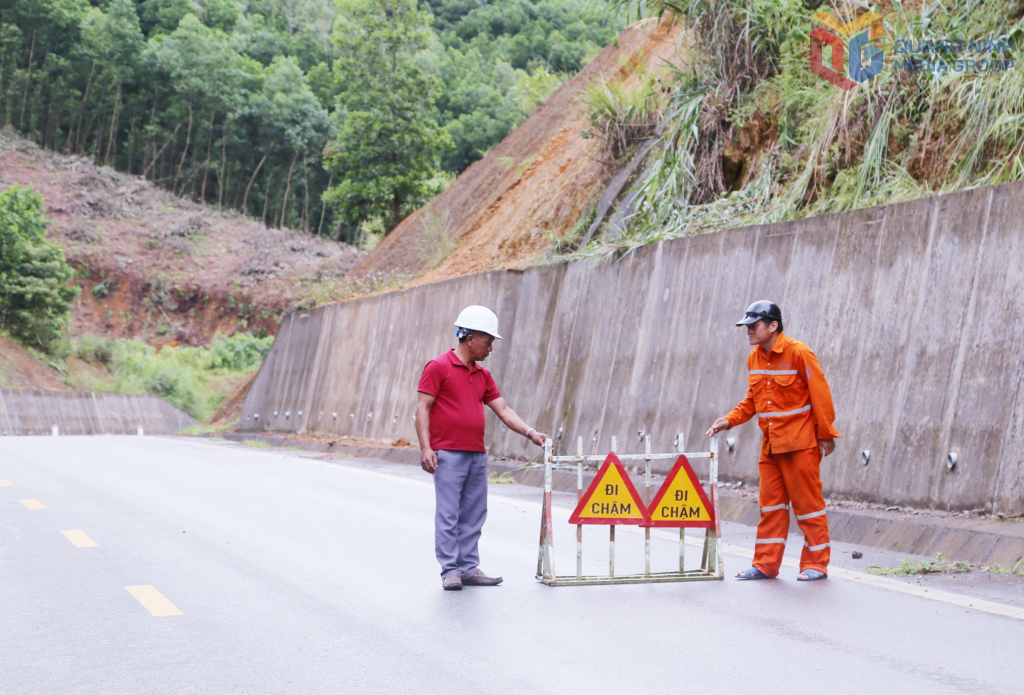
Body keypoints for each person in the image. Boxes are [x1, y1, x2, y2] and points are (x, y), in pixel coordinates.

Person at [416, 305, 549, 591]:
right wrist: (426, 448)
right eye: (488, 342)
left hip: (476, 453)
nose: (490, 348)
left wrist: (529, 432)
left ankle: (468, 568)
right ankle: (450, 570)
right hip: (447, 453)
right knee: (449, 514)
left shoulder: (483, 375)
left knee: (474, 513)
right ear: (470, 339)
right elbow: (422, 408)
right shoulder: (438, 367)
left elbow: (503, 410)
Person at [706, 300, 841, 581]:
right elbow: (753, 400)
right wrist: (729, 420)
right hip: (770, 447)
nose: (748, 330)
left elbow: (821, 394)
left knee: (808, 507)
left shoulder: (799, 353)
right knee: (771, 508)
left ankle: (816, 565)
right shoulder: (754, 358)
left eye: (753, 325)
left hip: (800, 445)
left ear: (773, 326)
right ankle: (765, 564)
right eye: (747, 326)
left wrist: (825, 434)